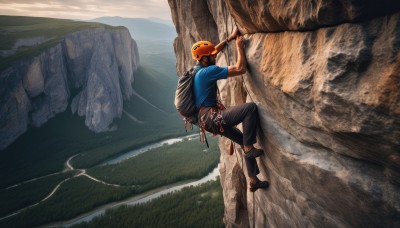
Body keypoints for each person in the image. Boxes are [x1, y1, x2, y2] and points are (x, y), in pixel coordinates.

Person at [192, 29, 269, 192]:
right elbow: (240, 68)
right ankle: (249, 148)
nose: (215, 56)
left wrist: (229, 39)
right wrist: (239, 47)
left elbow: (213, 51)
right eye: (211, 56)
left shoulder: (197, 70)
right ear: (205, 59)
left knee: (241, 140)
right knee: (249, 109)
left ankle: (253, 181)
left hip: (206, 120)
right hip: (212, 117)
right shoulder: (208, 71)